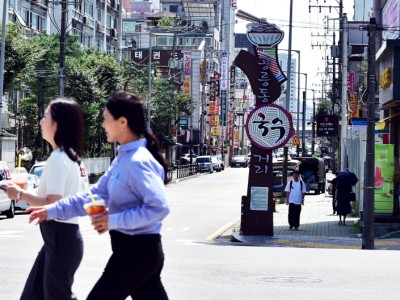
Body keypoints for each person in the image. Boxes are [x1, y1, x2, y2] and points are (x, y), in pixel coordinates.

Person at [28, 91, 170, 300]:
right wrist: (51, 210)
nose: (103, 124)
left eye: (105, 118)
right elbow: (93, 194)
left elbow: (159, 207)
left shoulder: (139, 162)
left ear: (122, 122)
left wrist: (112, 221)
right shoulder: (122, 159)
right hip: (134, 252)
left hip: (137, 253)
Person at [4, 98, 85, 300]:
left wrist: (19, 194)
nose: (41, 121)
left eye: (46, 116)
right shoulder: (69, 156)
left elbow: (53, 202)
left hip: (60, 238)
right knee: (33, 295)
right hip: (58, 239)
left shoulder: (59, 158)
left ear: (57, 123)